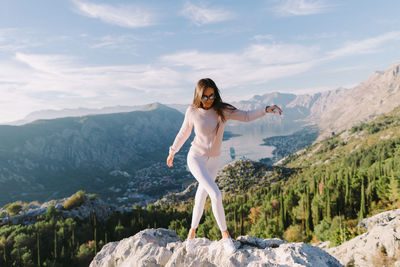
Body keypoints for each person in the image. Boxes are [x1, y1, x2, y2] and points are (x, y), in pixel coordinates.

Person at [166, 78, 282, 255]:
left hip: (213, 161)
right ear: (198, 95)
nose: (209, 99)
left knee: (201, 196)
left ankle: (191, 235)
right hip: (196, 158)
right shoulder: (192, 111)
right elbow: (184, 133)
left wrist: (266, 110)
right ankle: (226, 237)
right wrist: (172, 151)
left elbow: (246, 115)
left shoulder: (222, 110)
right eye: (205, 97)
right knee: (216, 193)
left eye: (212, 95)